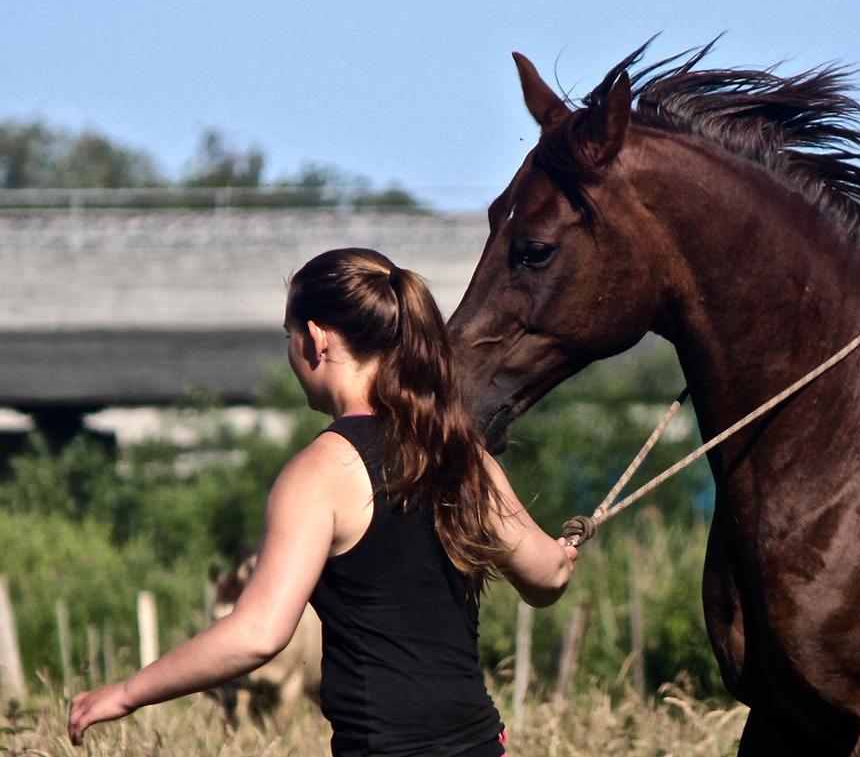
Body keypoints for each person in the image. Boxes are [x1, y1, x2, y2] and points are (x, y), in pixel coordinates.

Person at [68, 247, 579, 756]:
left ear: (315, 339)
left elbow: (258, 634)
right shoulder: (462, 453)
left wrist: (127, 692)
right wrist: (564, 551)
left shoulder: (319, 472)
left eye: (287, 336)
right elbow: (547, 576)